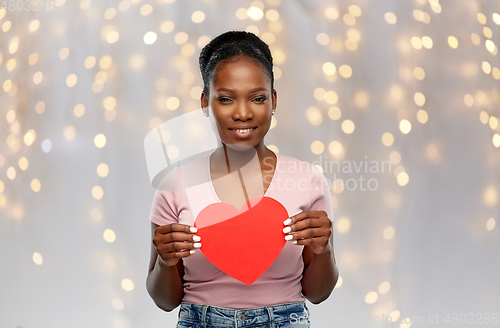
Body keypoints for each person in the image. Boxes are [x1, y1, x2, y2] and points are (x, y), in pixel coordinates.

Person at [146, 30, 339, 328]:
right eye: (225, 99)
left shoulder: (308, 180)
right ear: (205, 103)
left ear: (273, 101)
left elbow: (318, 293)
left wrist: (323, 250)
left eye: (258, 98)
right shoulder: (175, 186)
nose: (243, 113)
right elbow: (164, 301)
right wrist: (165, 261)